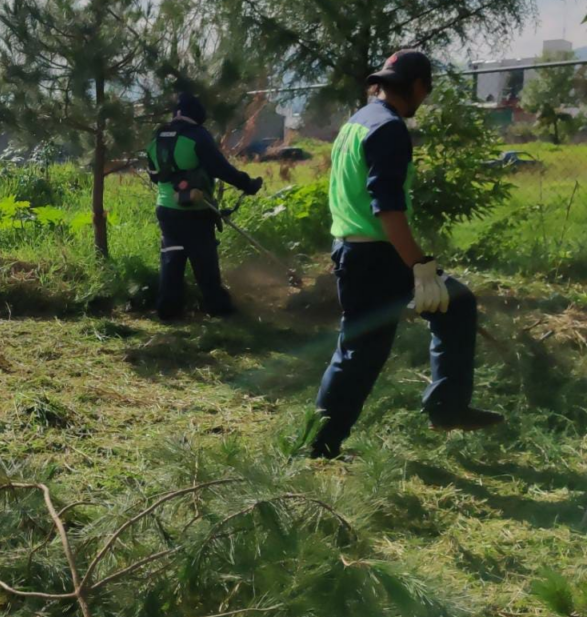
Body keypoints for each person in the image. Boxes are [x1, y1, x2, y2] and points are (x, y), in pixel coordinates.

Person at [311, 50, 504, 459]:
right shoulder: (389, 129)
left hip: (355, 251)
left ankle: (447, 407)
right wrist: (419, 266)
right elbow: (388, 209)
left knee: (454, 304)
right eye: (426, 90)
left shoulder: (357, 122)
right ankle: (319, 446)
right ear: (417, 86)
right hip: (377, 258)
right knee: (360, 354)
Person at [146, 92, 264, 320]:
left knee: (172, 259)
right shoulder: (197, 136)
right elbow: (221, 169)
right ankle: (218, 307)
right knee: (204, 261)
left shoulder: (157, 138)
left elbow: (154, 175)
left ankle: (168, 311)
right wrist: (247, 184)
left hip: (166, 210)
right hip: (195, 211)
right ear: (197, 114)